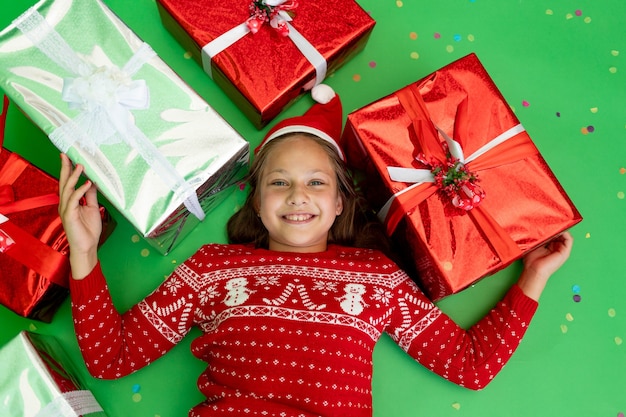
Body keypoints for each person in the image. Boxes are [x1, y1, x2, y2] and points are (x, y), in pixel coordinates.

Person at [59, 85, 574, 417]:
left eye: (315, 183)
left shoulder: (377, 277)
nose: (298, 195)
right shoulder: (212, 270)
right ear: (257, 204)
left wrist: (534, 276)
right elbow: (113, 357)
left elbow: (469, 366)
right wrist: (83, 251)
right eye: (279, 182)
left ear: (338, 204)